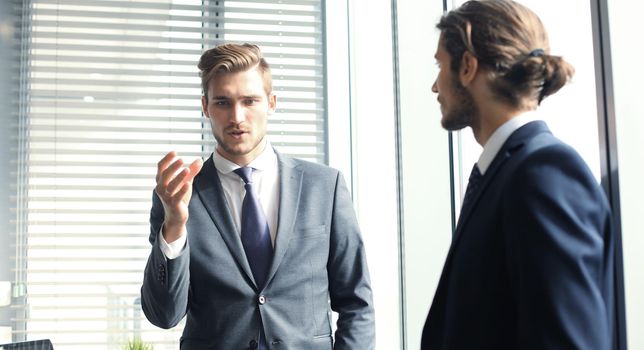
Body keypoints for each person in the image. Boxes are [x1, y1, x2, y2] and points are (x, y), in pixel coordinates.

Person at [141, 43, 375, 349]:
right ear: (205, 106)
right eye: (223, 102)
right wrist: (174, 226)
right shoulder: (178, 196)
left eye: (249, 101)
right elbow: (164, 315)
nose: (237, 116)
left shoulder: (324, 187)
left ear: (272, 103)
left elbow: (357, 303)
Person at [422, 1, 614, 349]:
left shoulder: (545, 175)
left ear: (467, 66)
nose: (435, 87)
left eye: (440, 65)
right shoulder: (507, 172)